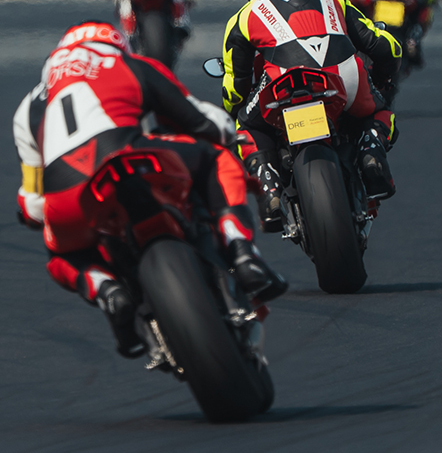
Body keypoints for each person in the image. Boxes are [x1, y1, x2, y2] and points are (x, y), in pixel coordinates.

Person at [13, 21, 287, 358]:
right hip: (128, 156)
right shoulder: (129, 64)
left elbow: (32, 203)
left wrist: (37, 214)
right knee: (217, 159)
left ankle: (106, 289)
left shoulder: (26, 109)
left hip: (68, 196)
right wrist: (226, 133)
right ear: (116, 46)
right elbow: (204, 122)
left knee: (62, 257)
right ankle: (241, 250)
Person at [222, 0, 402, 232]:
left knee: (245, 127)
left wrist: (233, 109)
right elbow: (385, 46)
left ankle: (268, 185)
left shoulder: (244, 16)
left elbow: (235, 82)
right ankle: (371, 149)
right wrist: (384, 77)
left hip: (281, 84)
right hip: (344, 76)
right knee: (381, 112)